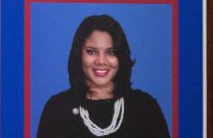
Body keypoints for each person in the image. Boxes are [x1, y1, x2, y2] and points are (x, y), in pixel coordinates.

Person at [36, 14, 169, 138]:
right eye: (91, 52)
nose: (101, 61)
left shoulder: (145, 107)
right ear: (79, 55)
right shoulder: (57, 109)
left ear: (121, 57)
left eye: (111, 52)